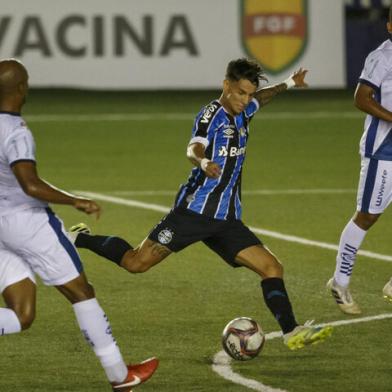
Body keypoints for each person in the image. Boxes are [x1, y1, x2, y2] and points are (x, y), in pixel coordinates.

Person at [72, 58, 333, 350]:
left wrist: (288, 83)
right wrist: (204, 160)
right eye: (240, 93)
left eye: (248, 94)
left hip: (226, 218)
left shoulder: (244, 111)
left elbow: (261, 98)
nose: (245, 100)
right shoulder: (212, 115)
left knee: (272, 267)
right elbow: (192, 147)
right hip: (194, 212)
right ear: (226, 86)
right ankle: (81, 238)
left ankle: (291, 331)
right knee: (136, 262)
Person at [0, 58, 158, 391]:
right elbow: (30, 184)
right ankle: (120, 375)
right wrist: (74, 200)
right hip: (28, 225)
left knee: (21, 315)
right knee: (82, 293)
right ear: (21, 88)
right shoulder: (16, 132)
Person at [327, 10, 392, 315]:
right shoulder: (382, 57)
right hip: (382, 151)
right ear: (390, 26)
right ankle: (339, 282)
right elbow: (361, 98)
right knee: (367, 217)